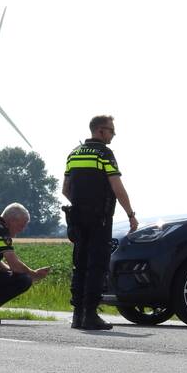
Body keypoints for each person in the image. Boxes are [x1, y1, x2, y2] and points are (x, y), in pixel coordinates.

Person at [62, 115, 139, 330]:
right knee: (97, 265)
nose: (113, 135)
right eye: (111, 131)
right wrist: (131, 214)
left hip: (77, 218)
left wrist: (81, 204)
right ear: (100, 131)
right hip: (100, 218)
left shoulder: (73, 154)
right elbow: (116, 186)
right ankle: (90, 314)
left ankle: (77, 315)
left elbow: (65, 189)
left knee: (80, 265)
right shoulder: (104, 153)